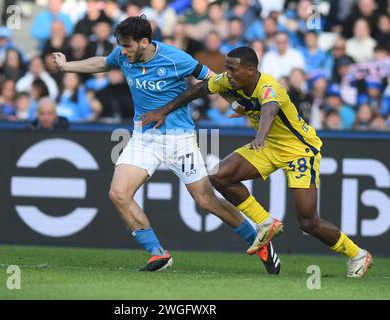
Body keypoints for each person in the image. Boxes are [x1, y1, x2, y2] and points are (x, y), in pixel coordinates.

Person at [53, 16, 281, 274]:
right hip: (143, 137)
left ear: (145, 42)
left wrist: (234, 104)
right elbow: (102, 63)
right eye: (121, 46)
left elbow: (211, 79)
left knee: (206, 201)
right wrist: (67, 66)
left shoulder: (176, 58)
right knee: (118, 194)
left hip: (179, 138)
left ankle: (259, 241)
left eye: (127, 46)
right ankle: (158, 254)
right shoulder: (123, 54)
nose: (123, 51)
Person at [141, 46, 373, 278]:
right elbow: (201, 88)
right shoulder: (229, 82)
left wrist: (259, 136)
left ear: (250, 70)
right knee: (220, 176)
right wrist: (163, 111)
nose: (228, 74)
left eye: (233, 69)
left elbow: (269, 111)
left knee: (308, 222)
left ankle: (358, 254)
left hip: (299, 150)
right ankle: (265, 221)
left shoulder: (269, 87)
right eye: (226, 69)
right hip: (268, 146)